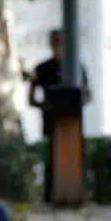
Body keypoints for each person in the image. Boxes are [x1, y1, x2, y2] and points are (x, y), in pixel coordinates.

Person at [27, 28, 92, 204]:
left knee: (76, 160)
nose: (58, 45)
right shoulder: (41, 68)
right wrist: (46, 106)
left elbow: (87, 95)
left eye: (61, 41)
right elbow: (31, 99)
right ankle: (50, 198)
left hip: (73, 124)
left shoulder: (77, 67)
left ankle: (76, 195)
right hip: (50, 122)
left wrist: (74, 104)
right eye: (55, 41)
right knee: (51, 161)